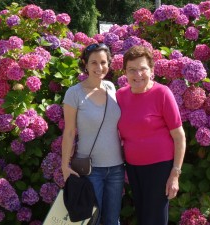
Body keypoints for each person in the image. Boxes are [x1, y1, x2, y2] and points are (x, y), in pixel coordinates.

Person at [116, 45, 186, 225]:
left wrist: (175, 174)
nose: (137, 74)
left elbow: (179, 137)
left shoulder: (162, 93)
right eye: (132, 69)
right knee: (142, 216)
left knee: (154, 219)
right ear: (125, 72)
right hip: (133, 167)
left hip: (159, 168)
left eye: (143, 69)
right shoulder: (120, 96)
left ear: (152, 70)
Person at [61, 43, 125, 225]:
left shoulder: (111, 88)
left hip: (116, 169)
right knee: (92, 221)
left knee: (112, 220)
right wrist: (65, 166)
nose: (99, 67)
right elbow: (70, 131)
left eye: (103, 62)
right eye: (94, 62)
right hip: (90, 170)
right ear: (85, 64)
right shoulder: (74, 93)